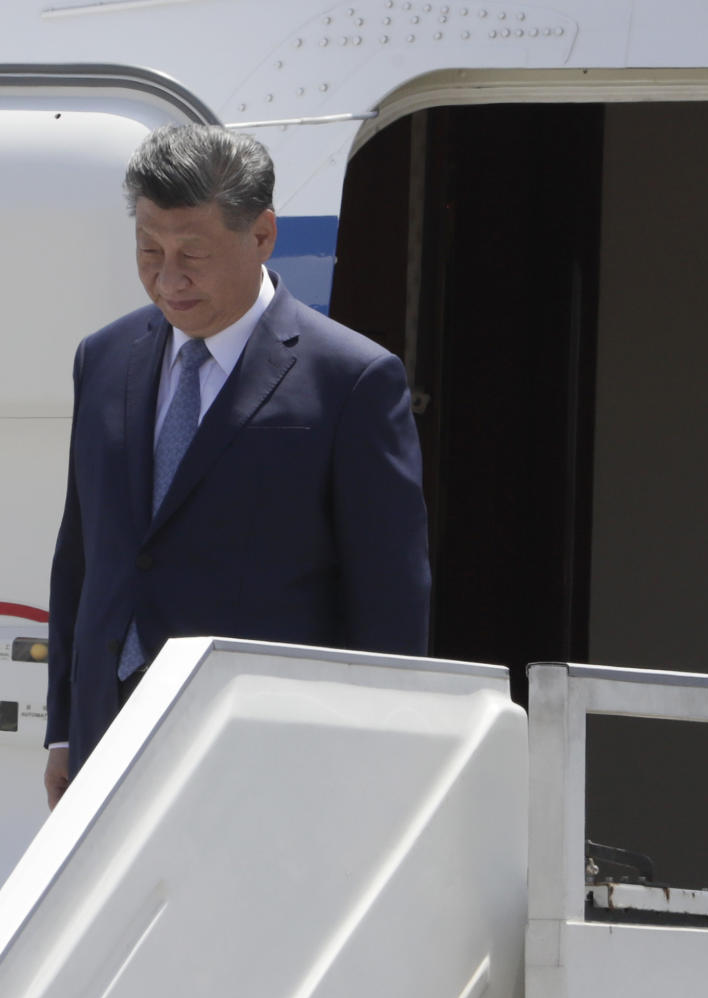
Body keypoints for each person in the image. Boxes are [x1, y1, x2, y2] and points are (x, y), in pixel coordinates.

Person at [43, 124, 430, 806]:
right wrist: (64, 731)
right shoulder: (102, 360)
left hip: (265, 754)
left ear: (261, 235)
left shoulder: (351, 380)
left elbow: (388, 598)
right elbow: (84, 553)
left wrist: (378, 765)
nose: (167, 279)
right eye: (148, 250)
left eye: (192, 252)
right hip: (107, 739)